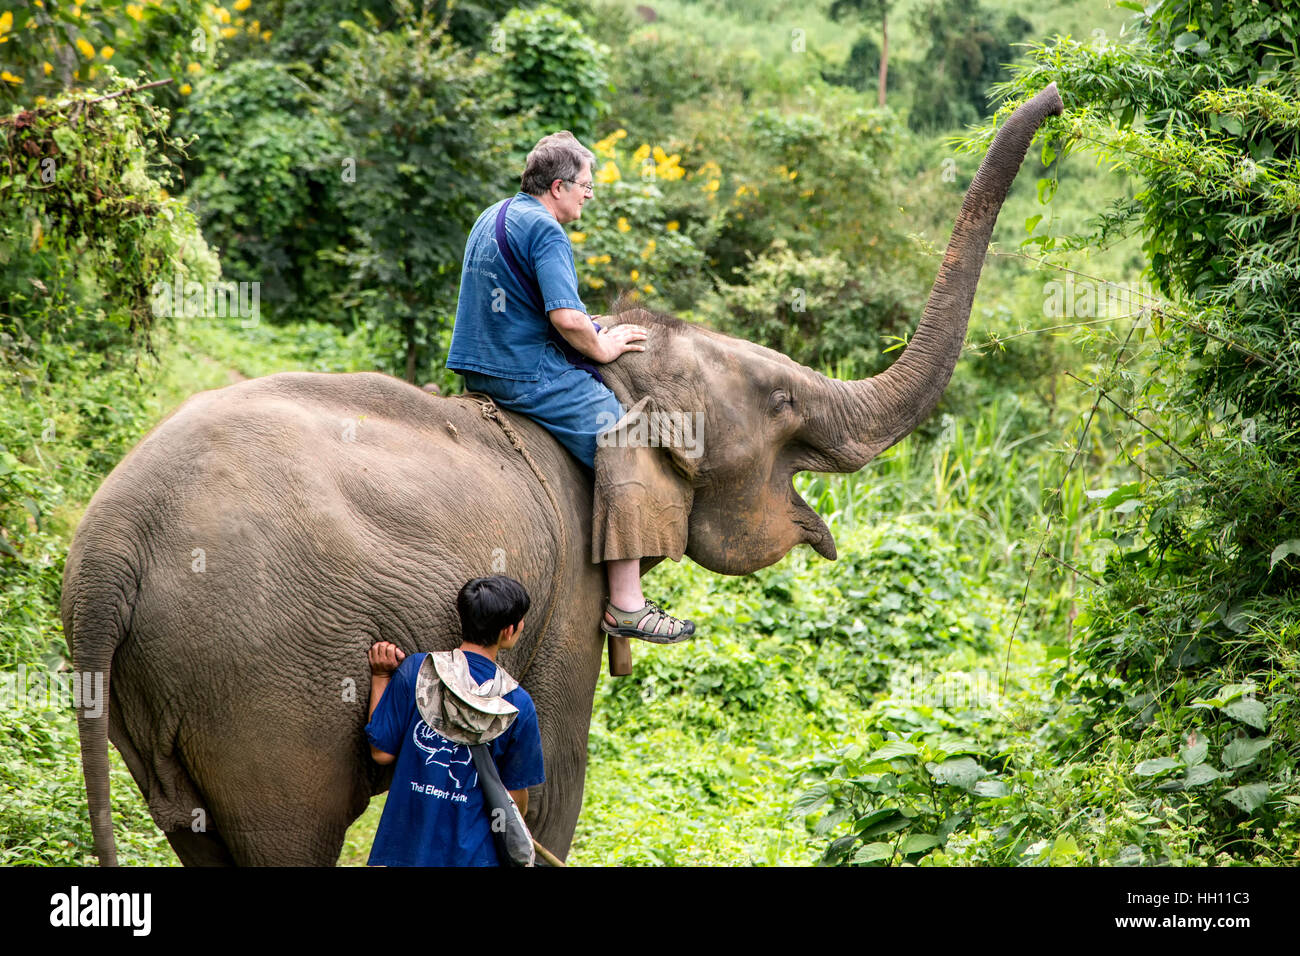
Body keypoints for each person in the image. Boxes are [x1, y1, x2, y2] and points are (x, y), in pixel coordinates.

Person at [447, 129, 695, 644]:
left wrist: (592, 324)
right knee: (627, 440)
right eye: (585, 185)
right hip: (524, 374)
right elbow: (564, 316)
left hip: (479, 365)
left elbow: (521, 302)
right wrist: (601, 344)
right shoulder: (546, 231)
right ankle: (627, 605)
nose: (589, 194)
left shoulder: (493, 215)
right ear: (557, 186)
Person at [364, 575, 544, 866]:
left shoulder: (416, 671)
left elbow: (381, 752)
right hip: (476, 857)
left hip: (404, 851)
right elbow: (514, 800)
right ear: (508, 631)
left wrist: (380, 677)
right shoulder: (518, 704)